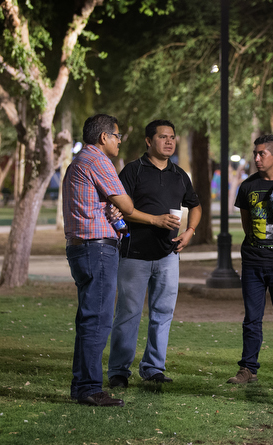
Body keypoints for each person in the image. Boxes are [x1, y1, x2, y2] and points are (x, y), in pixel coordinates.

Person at [108, 119, 202, 387]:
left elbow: (195, 205)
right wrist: (156, 220)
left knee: (162, 314)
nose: (169, 141)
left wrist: (190, 231)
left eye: (172, 137)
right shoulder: (133, 171)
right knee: (128, 314)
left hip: (168, 256)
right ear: (149, 141)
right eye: (163, 137)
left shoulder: (179, 175)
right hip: (134, 254)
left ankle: (153, 368)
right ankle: (118, 371)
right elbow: (122, 210)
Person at [63, 113, 135, 407]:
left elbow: (104, 204)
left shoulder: (78, 162)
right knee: (98, 320)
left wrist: (111, 207)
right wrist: (119, 206)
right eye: (117, 136)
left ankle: (81, 386)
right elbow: (127, 204)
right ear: (104, 137)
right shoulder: (98, 160)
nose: (119, 141)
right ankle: (91, 387)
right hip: (98, 250)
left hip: (80, 247)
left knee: (87, 319)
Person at [227, 134, 273, 385]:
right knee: (251, 319)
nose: (256, 158)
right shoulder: (247, 186)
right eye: (255, 153)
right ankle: (248, 368)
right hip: (254, 262)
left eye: (262, 154)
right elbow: (247, 225)